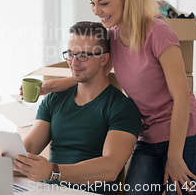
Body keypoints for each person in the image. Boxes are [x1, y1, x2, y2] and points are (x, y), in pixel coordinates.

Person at [42, 0, 196, 195]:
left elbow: (182, 97)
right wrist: (56, 85)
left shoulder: (159, 33)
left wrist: (174, 155)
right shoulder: (111, 37)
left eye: (103, 3)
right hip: (148, 138)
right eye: (92, 3)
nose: (96, 11)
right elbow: (95, 69)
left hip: (185, 138)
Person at [14, 21, 141, 195]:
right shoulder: (54, 99)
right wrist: (12, 159)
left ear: (104, 59)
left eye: (83, 55)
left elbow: (110, 168)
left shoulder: (122, 108)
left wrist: (54, 172)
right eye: (70, 54)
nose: (74, 62)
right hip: (48, 191)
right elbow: (29, 147)